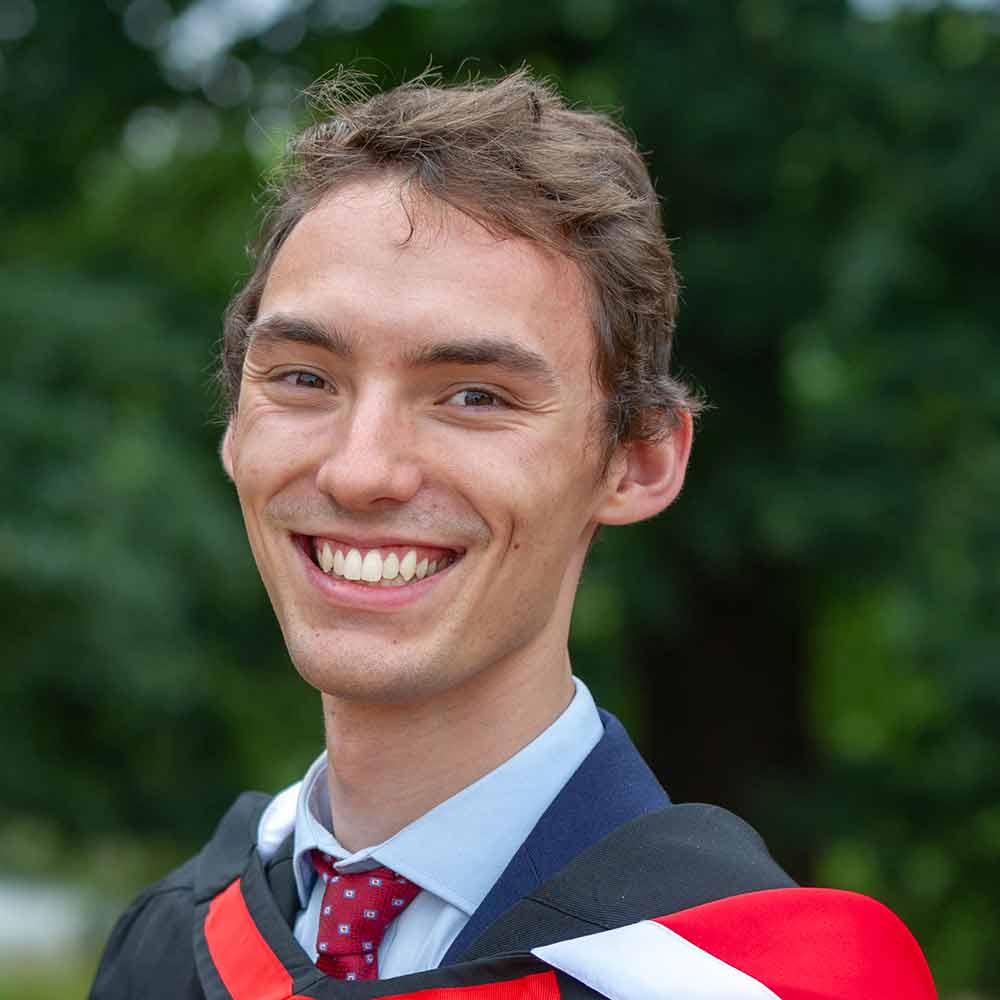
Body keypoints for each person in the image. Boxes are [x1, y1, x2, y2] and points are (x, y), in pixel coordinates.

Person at [89, 69, 935, 1000]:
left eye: (474, 396)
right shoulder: (169, 951)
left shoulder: (746, 983)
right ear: (236, 431)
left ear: (638, 461)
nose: (361, 470)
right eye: (303, 378)